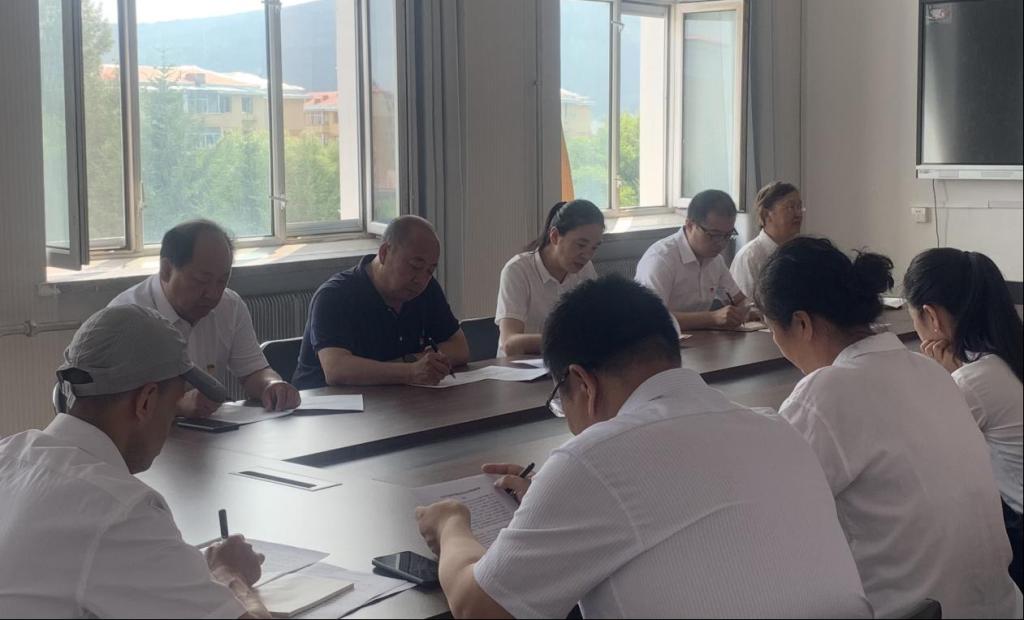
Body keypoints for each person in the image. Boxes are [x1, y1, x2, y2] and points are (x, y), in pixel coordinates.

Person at [415, 275, 872, 619]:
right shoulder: (776, 428)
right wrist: (550, 499)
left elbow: (477, 608)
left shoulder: (593, 460)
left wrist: (451, 523)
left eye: (560, 401)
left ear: (582, 383)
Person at [757, 237, 1023, 618]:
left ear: (801, 323)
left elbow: (768, 519)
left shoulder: (824, 396)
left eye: (773, 331)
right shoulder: (931, 371)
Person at [0, 305, 269, 618]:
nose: (169, 423)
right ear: (146, 401)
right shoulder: (117, 512)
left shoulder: (9, 454)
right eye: (173, 406)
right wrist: (229, 574)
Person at [903, 248, 1023, 589]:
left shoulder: (973, 380)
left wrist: (943, 382)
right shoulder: (1004, 355)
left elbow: (923, 455)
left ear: (931, 316)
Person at [109, 220, 300, 417]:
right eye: (201, 280)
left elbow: (253, 372)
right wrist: (177, 406)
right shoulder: (126, 317)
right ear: (166, 270)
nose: (213, 294)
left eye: (222, 281)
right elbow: (113, 407)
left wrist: (271, 385)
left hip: (208, 431)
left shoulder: (229, 305)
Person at [293, 215, 470, 388]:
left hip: (395, 398)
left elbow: (460, 348)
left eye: (430, 271)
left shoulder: (427, 290)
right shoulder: (335, 295)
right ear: (384, 253)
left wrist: (411, 361)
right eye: (415, 266)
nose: (421, 280)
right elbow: (336, 370)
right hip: (329, 402)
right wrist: (410, 371)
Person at [495, 200, 603, 357]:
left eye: (594, 248)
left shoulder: (586, 269)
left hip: (565, 363)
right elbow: (510, 343)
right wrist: (566, 342)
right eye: (580, 245)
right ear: (555, 236)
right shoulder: (517, 270)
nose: (587, 255)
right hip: (519, 367)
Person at [635, 189, 750, 331]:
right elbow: (651, 318)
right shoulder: (661, 259)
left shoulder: (715, 260)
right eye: (714, 235)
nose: (721, 243)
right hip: (660, 341)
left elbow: (739, 299)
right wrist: (712, 317)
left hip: (700, 339)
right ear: (690, 225)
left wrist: (746, 309)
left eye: (728, 235)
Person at [730, 181, 803, 298]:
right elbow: (745, 305)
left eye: (799, 207)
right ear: (766, 214)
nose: (798, 214)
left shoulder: (800, 252)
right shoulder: (750, 257)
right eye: (790, 207)